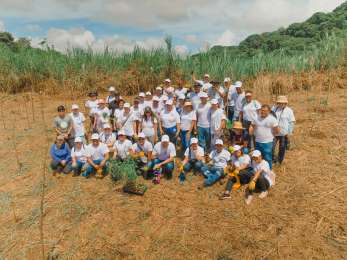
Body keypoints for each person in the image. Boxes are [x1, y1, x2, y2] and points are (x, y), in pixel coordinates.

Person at [249, 104, 280, 169]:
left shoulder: (272, 119)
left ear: (269, 111)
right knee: (257, 157)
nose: (263, 112)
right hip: (257, 141)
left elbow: (277, 129)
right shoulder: (256, 117)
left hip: (267, 143)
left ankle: (269, 171)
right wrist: (251, 130)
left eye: (265, 111)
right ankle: (257, 170)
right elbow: (252, 125)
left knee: (267, 158)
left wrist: (272, 135)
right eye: (262, 110)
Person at [272, 96, 295, 164]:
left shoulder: (289, 110)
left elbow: (292, 122)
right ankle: (273, 159)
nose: (281, 104)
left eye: (283, 103)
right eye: (279, 103)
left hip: (284, 133)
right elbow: (270, 117)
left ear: (285, 103)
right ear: (277, 103)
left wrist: (289, 132)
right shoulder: (274, 108)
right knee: (271, 148)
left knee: (282, 148)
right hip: (274, 133)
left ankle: (279, 161)